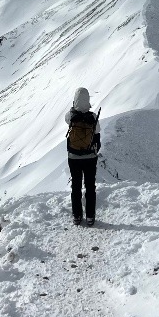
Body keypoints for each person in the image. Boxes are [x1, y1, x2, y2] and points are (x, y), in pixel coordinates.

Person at [65, 87, 101, 225]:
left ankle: (77, 216)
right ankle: (90, 216)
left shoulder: (70, 116)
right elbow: (97, 134)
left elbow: (66, 120)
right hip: (90, 157)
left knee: (76, 186)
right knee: (90, 186)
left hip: (73, 157)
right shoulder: (93, 117)